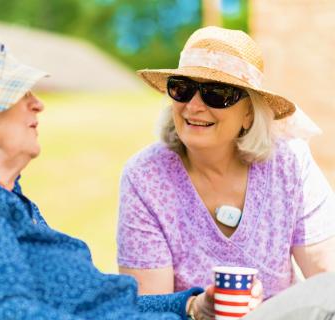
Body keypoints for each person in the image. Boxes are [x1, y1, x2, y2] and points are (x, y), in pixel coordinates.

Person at [0, 33, 335, 320]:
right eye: (18, 94)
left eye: (217, 93)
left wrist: (191, 310)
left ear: (250, 114)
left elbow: (91, 307)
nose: (38, 102)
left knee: (323, 313)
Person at [117, 26, 335, 298]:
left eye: (217, 93)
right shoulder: (145, 176)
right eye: (182, 89)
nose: (193, 106)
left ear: (249, 114)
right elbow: (152, 311)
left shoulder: (290, 163)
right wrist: (199, 314)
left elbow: (326, 277)